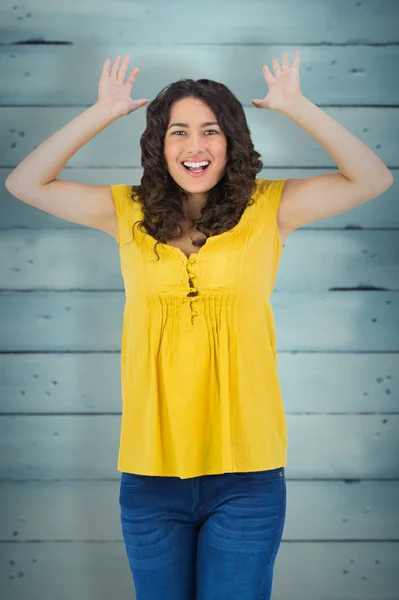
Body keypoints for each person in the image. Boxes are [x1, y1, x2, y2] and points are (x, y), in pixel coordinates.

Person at [5, 52, 393, 600]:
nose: (195, 146)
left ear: (231, 140)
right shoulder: (125, 212)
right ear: (158, 146)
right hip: (149, 477)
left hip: (248, 477)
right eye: (178, 132)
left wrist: (297, 105)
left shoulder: (272, 208)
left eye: (211, 131)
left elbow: (373, 177)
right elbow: (25, 183)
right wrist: (103, 111)